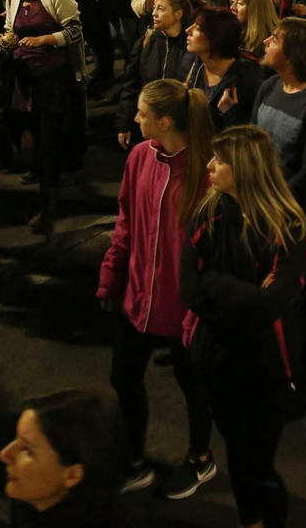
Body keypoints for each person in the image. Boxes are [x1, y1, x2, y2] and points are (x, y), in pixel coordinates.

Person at [180, 125, 306, 528]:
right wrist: (240, 294)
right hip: (216, 358)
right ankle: (249, 520)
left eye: (220, 160)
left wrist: (216, 282)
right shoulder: (208, 211)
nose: (210, 166)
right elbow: (189, 289)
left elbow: (273, 302)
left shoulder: (287, 225)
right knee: (235, 450)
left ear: (246, 168)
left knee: (259, 461)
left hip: (265, 366)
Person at [97, 79, 217, 499]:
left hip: (185, 309)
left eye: (142, 114)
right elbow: (126, 220)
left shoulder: (207, 174)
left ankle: (202, 459)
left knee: (194, 385)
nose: (134, 118)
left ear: (165, 121)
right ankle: (134, 461)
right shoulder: (138, 157)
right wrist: (112, 277)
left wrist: (200, 308)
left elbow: (215, 255)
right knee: (123, 375)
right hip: (138, 301)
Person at [0, 0, 87, 236]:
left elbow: (74, 30)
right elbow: (11, 31)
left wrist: (44, 40)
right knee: (32, 140)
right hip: (24, 80)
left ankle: (50, 208)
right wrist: (2, 39)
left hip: (52, 80)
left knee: (48, 143)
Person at [0, 388, 131, 527]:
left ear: (72, 475)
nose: (4, 454)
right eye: (16, 438)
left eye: (27, 450)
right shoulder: (29, 500)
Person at [115, 0, 200, 147]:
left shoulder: (192, 48)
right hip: (150, 128)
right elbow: (131, 86)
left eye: (160, 9)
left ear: (178, 14)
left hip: (181, 132)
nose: (154, 13)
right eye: (154, 8)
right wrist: (124, 122)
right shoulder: (145, 43)